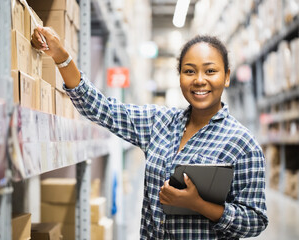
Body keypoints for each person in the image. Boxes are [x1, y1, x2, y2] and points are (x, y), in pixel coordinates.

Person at [31, 27, 268, 239]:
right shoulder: (159, 123)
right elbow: (101, 108)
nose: (199, 80)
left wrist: (199, 205)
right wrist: (61, 57)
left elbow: (255, 220)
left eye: (210, 71)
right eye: (189, 71)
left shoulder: (243, 144)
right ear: (180, 77)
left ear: (226, 76)